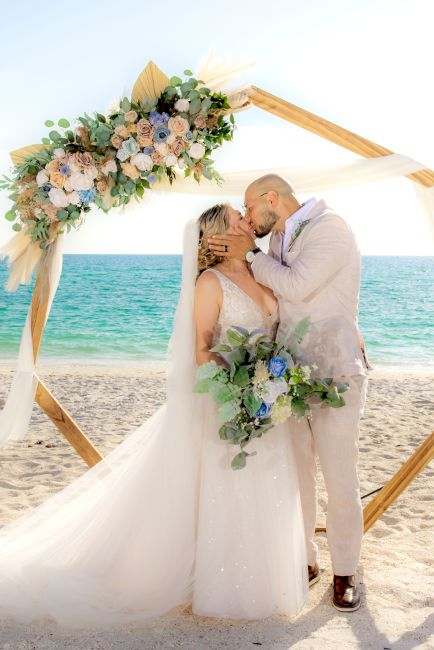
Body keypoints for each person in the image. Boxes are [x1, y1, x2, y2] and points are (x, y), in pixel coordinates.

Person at [0, 204, 308, 628]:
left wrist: (272, 384)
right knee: (226, 486)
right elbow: (202, 350)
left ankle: (261, 579)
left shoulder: (263, 271)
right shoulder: (209, 282)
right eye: (237, 217)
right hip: (228, 399)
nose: (246, 221)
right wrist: (242, 388)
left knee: (262, 484)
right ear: (217, 235)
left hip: (266, 399)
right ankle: (219, 588)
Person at [208, 175, 369, 611]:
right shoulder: (278, 238)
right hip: (287, 377)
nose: (246, 217)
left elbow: (296, 286)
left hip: (335, 372)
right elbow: (280, 305)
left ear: (272, 199)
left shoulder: (330, 227)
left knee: (339, 477)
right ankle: (305, 561)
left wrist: (250, 254)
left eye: (249, 207)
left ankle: (346, 573)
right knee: (296, 475)